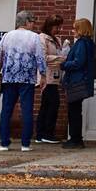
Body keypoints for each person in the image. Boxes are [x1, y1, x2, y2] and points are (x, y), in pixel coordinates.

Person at [0, 10, 47, 152]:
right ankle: (25, 143)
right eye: (32, 22)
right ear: (27, 22)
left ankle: (4, 143)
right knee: (27, 110)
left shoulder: (7, 36)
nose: (33, 25)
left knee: (6, 110)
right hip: (27, 78)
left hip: (9, 77)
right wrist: (43, 75)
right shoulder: (34, 37)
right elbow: (40, 57)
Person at [60, 18, 96, 149]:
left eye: (75, 28)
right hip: (81, 80)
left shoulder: (81, 43)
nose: (73, 31)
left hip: (77, 81)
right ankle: (76, 138)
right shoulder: (88, 43)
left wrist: (63, 64)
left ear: (81, 30)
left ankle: (75, 139)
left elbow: (78, 62)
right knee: (75, 110)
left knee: (74, 111)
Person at [35, 15, 66, 144]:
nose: (58, 29)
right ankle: (47, 133)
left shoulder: (56, 39)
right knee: (53, 103)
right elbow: (42, 57)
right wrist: (60, 58)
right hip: (46, 77)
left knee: (46, 105)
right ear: (49, 26)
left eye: (59, 26)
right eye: (56, 27)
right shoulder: (42, 38)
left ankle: (41, 134)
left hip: (54, 76)